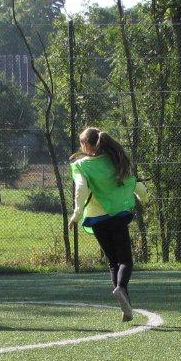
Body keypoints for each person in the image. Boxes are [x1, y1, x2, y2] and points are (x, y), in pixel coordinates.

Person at [69, 127, 143, 321]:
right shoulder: (115, 160)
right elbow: (134, 183)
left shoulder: (81, 165)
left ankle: (125, 308)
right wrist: (146, 198)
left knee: (112, 262)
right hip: (118, 216)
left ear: (86, 145)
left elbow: (81, 189)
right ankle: (121, 289)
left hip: (97, 220)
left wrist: (76, 215)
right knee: (125, 261)